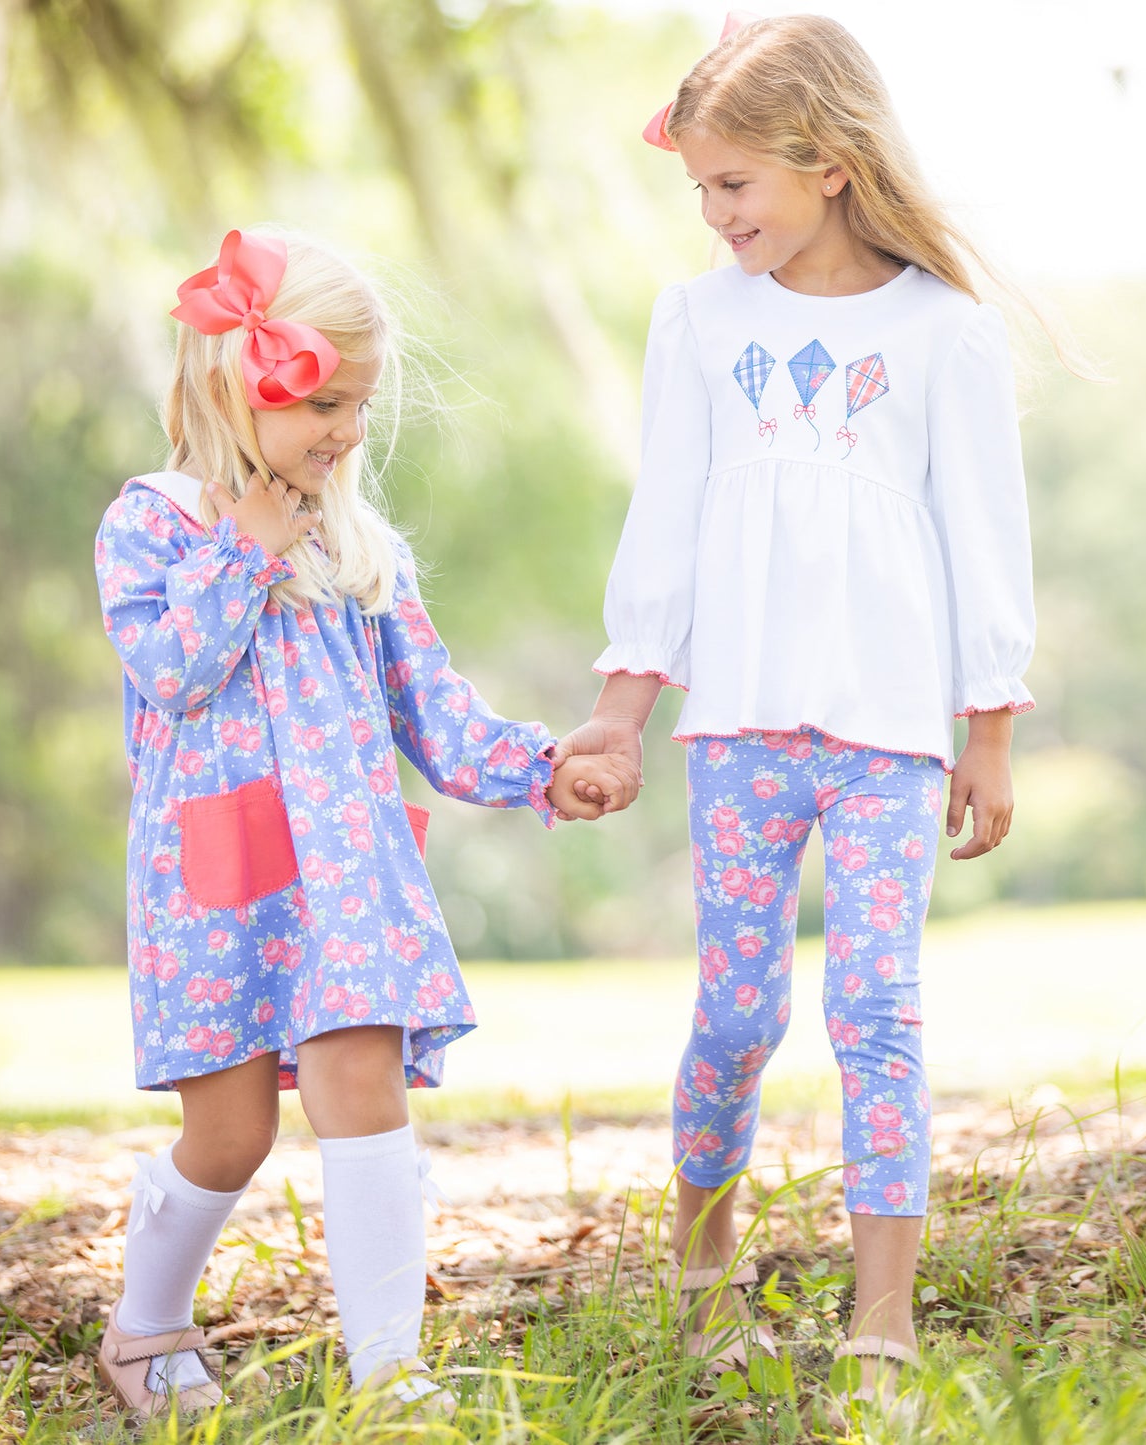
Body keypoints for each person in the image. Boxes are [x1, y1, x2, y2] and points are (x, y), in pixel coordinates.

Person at [563, 12, 1037, 1418]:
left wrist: (990, 725)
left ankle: (880, 1322)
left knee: (875, 1011)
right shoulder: (697, 321)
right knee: (735, 1011)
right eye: (699, 190)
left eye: (733, 187)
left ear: (828, 164)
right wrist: (615, 712)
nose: (713, 217)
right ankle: (702, 1272)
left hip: (892, 734)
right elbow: (666, 524)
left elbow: (982, 534)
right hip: (744, 728)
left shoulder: (945, 333)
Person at [92, 228, 637, 1422]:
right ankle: (143, 1322)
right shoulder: (155, 525)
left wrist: (545, 768)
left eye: (358, 402)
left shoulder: (355, 542)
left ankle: (394, 1368)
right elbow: (171, 670)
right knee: (228, 1137)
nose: (345, 427)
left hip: (345, 875)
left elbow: (432, 709)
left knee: (363, 1083)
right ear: (235, 380)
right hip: (220, 884)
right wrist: (244, 549)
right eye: (322, 399)